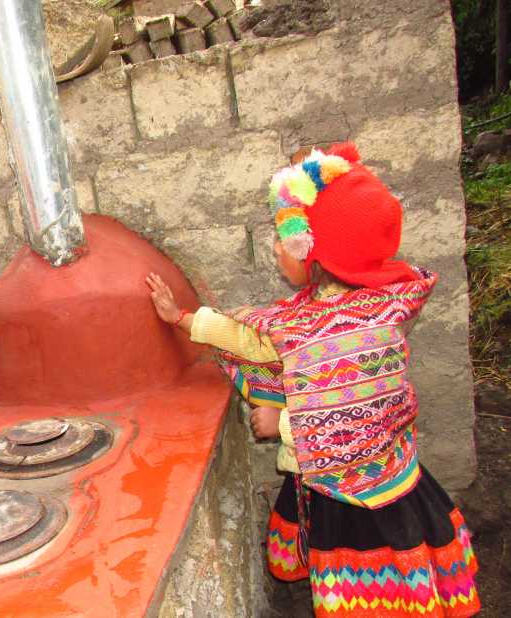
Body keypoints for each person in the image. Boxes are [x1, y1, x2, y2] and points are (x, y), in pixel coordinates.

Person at [146, 143, 480, 616]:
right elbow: (257, 342)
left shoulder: (368, 330)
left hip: (367, 504)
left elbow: (361, 425)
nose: (276, 248)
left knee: (369, 598)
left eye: (285, 237)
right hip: (324, 484)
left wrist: (280, 425)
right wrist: (182, 318)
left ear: (317, 250)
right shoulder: (312, 316)